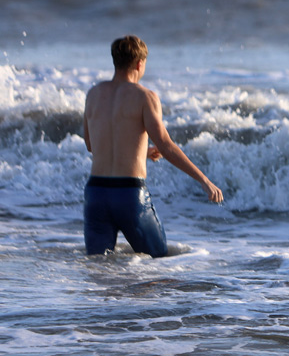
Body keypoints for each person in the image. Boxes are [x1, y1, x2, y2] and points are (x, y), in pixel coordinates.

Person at [82, 35, 223, 257]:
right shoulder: (144, 97)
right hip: (129, 196)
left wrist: (140, 152)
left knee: (99, 270)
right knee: (159, 263)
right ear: (139, 63)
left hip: (96, 195)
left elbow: (92, 145)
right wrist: (204, 180)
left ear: (115, 61)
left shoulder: (94, 94)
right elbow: (165, 145)